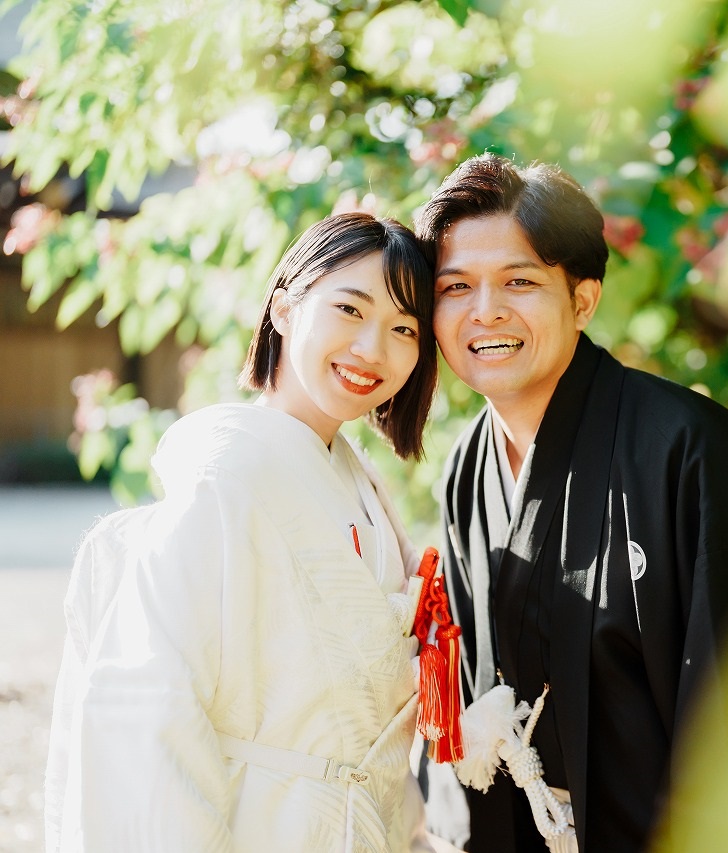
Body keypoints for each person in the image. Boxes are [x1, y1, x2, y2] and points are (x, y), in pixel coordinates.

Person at [416, 154, 728, 852]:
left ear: (583, 298)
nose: (484, 310)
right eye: (455, 287)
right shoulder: (466, 468)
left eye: (519, 281)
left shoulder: (688, 451)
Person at [45, 212, 444, 852]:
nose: (374, 349)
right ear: (285, 307)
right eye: (349, 309)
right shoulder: (224, 479)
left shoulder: (356, 481)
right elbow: (152, 706)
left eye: (403, 328)